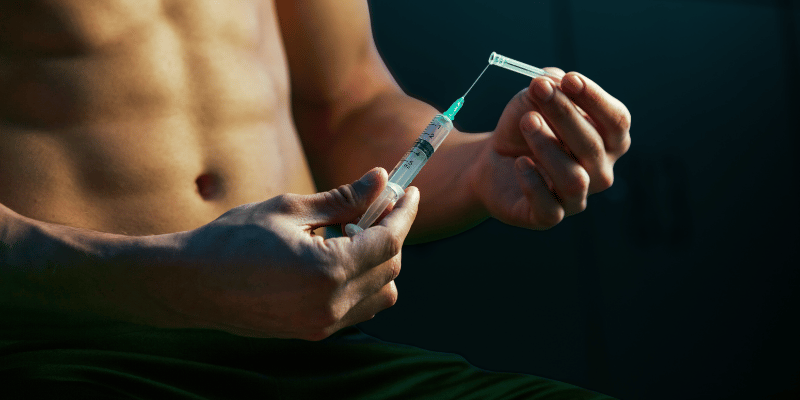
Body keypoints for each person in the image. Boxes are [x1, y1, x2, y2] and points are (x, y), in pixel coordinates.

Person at [0, 0, 630, 398]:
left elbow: (347, 107)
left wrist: (475, 166)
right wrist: (172, 279)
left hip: (308, 360)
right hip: (66, 356)